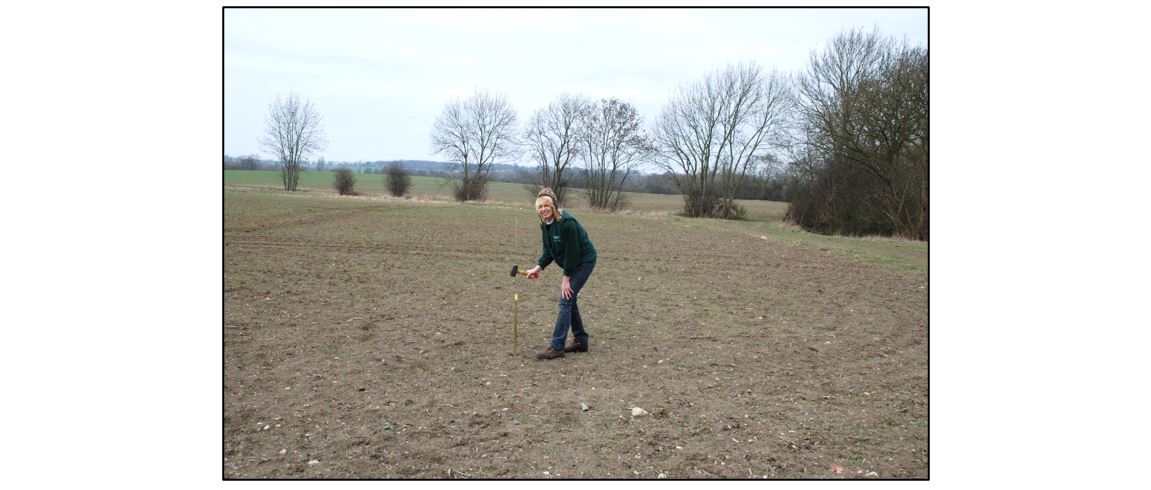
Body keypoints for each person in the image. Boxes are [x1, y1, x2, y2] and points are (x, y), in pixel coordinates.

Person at [522, 187, 597, 360]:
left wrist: (566, 279)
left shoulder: (567, 223)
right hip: (572, 262)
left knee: (565, 300)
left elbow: (572, 254)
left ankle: (557, 347)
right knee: (570, 299)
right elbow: (548, 251)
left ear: (554, 205)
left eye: (546, 205)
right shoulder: (545, 225)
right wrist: (537, 268)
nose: (543, 210)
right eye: (540, 207)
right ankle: (581, 341)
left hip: (584, 261)